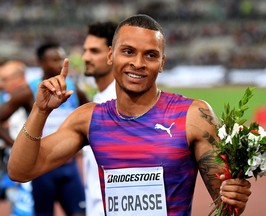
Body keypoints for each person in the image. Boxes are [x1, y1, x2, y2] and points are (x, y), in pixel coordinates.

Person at [8, 14, 251, 215]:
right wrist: (40, 111)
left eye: (150, 55)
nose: (138, 63)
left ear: (162, 62)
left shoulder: (193, 116)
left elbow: (226, 206)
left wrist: (234, 197)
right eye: (128, 51)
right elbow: (20, 171)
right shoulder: (90, 119)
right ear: (111, 55)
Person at [0, 43, 89, 216]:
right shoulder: (29, 91)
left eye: (61, 59)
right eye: (54, 59)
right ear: (41, 62)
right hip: (42, 167)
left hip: (69, 167)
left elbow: (93, 117)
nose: (59, 63)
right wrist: (15, 144)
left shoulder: (73, 90)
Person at [81, 21, 117, 216]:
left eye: (94, 51)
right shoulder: (99, 98)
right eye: (85, 50)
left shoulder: (120, 103)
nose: (85, 57)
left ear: (113, 55)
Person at [0, 60, 34, 216]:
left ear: (18, 77)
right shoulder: (7, 98)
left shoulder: (29, 95)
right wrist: (15, 145)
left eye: (4, 79)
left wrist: (17, 146)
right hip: (12, 162)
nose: (1, 84)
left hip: (32, 162)